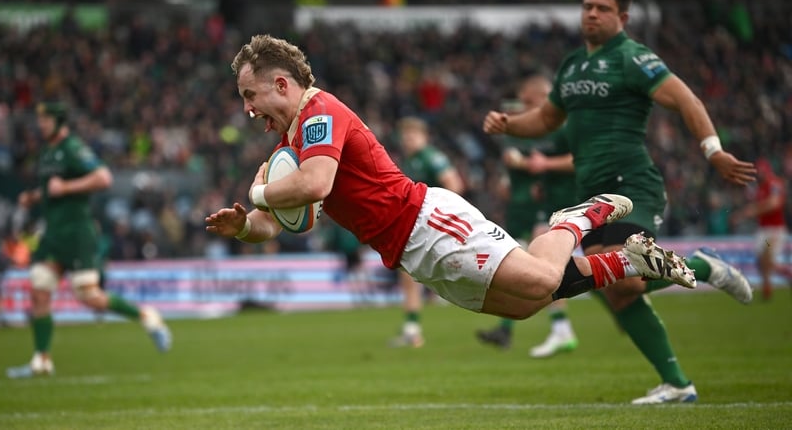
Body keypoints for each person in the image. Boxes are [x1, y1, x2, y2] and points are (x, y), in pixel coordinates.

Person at [205, 34, 697, 368]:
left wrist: (256, 192)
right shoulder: (287, 148)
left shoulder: (319, 112)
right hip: (413, 253)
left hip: (427, 223)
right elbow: (291, 220)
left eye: (250, 94)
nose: (247, 109)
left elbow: (313, 187)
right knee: (526, 306)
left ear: (282, 84)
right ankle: (624, 260)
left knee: (542, 277)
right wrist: (246, 226)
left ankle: (577, 218)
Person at [483, 0, 756, 404]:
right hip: (592, 195)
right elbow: (546, 119)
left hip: (631, 184)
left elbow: (686, 99)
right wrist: (510, 124)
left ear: (622, 18)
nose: (591, 13)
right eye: (587, 6)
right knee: (616, 290)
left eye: (602, 9)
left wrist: (713, 150)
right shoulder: (572, 65)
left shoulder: (633, 58)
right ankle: (678, 384)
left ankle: (701, 269)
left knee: (616, 281)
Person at [6, 102, 172, 379]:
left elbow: (103, 178)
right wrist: (34, 197)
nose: (41, 125)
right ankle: (41, 360)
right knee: (39, 288)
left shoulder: (72, 148)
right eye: (40, 120)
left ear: (59, 121)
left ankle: (147, 316)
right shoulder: (47, 152)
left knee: (88, 296)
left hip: (77, 233)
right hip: (53, 234)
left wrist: (68, 187)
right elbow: (52, 190)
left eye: (46, 120)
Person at [476, 74, 579, 356]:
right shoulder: (524, 132)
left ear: (545, 98)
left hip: (562, 204)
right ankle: (513, 330)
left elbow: (582, 158)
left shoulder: (565, 126)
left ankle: (561, 329)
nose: (524, 107)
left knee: (542, 267)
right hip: (533, 207)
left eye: (530, 102)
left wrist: (544, 164)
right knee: (527, 267)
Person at [389, 116, 466, 348]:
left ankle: (414, 330)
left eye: (413, 135)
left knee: (411, 274)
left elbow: (455, 184)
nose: (408, 140)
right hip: (416, 224)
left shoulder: (431, 157)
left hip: (431, 224)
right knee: (407, 275)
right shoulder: (410, 160)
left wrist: (441, 213)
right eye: (405, 136)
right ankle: (412, 330)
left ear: (424, 137)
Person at [730, 158, 792, 301]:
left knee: (767, 257)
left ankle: (771, 286)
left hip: (774, 230)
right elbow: (757, 208)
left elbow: (775, 203)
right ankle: (769, 285)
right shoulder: (759, 189)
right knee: (761, 261)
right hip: (763, 230)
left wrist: (754, 210)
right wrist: (743, 214)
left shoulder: (774, 184)